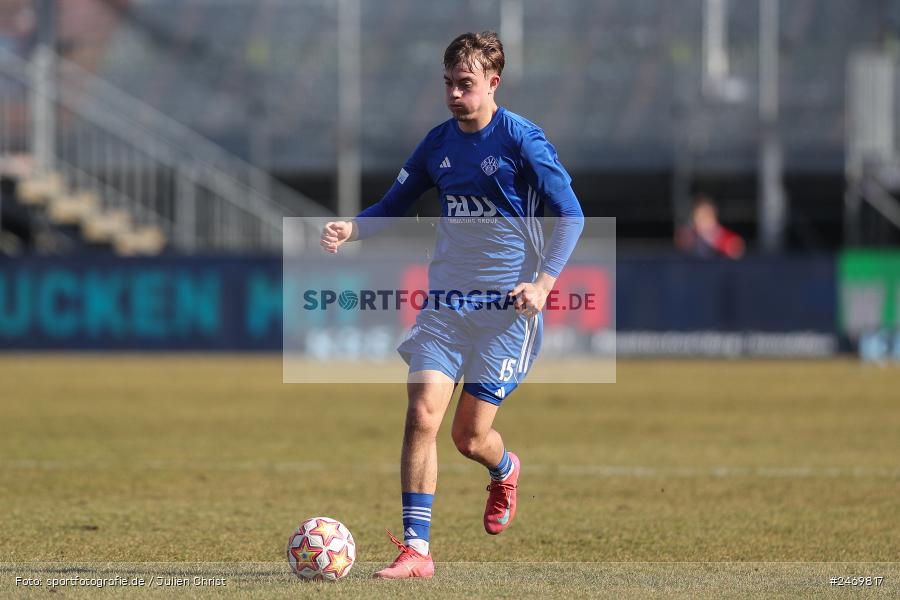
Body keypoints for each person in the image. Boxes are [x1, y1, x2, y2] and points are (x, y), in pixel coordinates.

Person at [320, 31, 584, 580]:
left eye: (465, 84)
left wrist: (542, 284)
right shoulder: (437, 144)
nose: (454, 95)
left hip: (509, 311)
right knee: (421, 415)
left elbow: (572, 215)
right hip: (445, 305)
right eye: (447, 84)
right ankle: (417, 549)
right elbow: (392, 206)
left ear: (493, 83)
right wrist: (353, 227)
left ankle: (504, 467)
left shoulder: (522, 141)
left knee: (468, 438)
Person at [675, 195, 745, 259]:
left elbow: (735, 255)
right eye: (700, 217)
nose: (703, 221)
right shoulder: (687, 236)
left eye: (706, 216)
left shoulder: (730, 239)